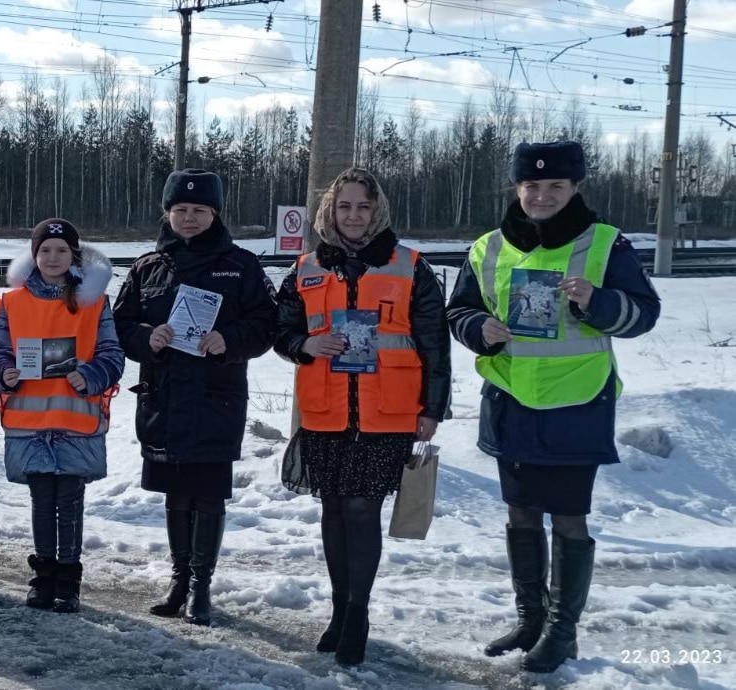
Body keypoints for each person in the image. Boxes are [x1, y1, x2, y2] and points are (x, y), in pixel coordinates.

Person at [446, 141, 660, 673]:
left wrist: (599, 302)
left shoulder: (607, 244)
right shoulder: (487, 247)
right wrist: (479, 329)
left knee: (568, 518)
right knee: (520, 512)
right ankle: (530, 619)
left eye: (555, 187)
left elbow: (645, 315)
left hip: (577, 402)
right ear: (517, 188)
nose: (542, 196)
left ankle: (563, 632)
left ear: (575, 189)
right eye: (532, 186)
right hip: (511, 400)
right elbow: (460, 311)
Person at [274, 167, 451, 665]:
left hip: (386, 413)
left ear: (378, 212)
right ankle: (337, 609)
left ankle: (358, 613)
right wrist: (304, 344)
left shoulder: (409, 266)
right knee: (332, 510)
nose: (353, 216)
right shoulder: (306, 268)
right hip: (326, 411)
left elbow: (435, 344)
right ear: (330, 212)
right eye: (344, 206)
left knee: (360, 510)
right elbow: (281, 331)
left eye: (363, 207)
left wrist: (432, 409)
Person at [112, 169, 277, 627]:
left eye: (198, 210)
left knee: (206, 495)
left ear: (215, 214)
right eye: (180, 209)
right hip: (163, 400)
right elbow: (119, 325)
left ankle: (202, 586)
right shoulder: (148, 266)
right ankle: (178, 581)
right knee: (175, 496)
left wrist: (229, 339)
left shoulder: (241, 265)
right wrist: (148, 337)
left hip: (214, 400)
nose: (188, 218)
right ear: (167, 212)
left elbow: (267, 324)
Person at [0, 218, 124, 613]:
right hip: (29, 422)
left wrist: (91, 376)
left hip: (75, 419)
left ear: (73, 255)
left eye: (61, 250)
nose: (52, 257)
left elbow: (112, 354)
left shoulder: (95, 301)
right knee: (42, 501)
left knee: (71, 500)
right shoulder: (11, 302)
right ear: (33, 256)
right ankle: (43, 575)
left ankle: (69, 579)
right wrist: (4, 375)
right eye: (44, 250)